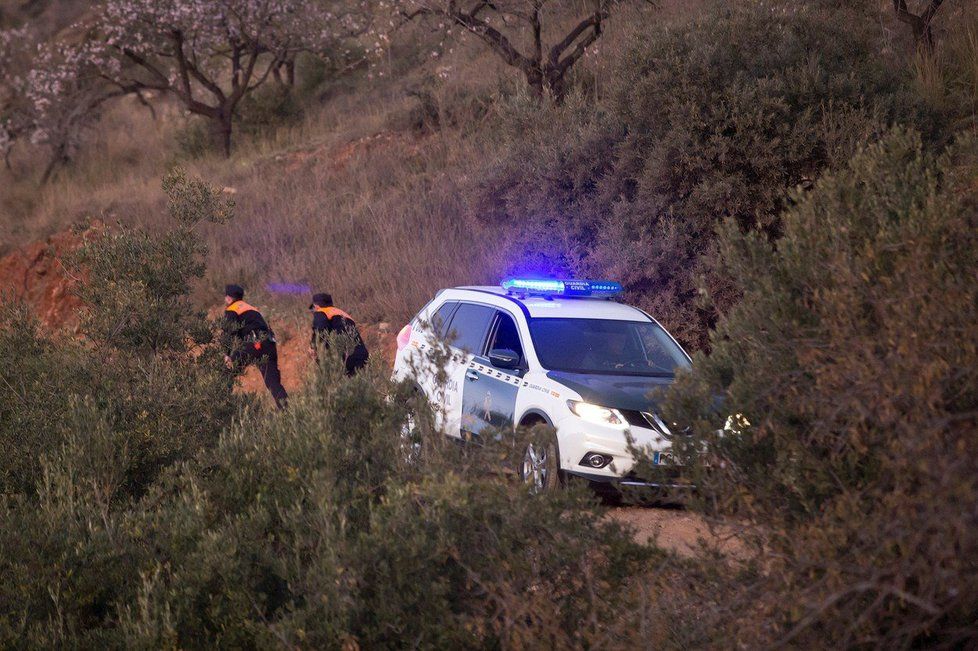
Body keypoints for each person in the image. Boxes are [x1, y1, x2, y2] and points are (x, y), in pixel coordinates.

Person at [222, 284, 288, 409]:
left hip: (253, 344)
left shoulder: (232, 309)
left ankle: (221, 407)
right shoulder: (252, 308)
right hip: (269, 344)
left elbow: (229, 332)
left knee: (225, 373)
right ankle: (287, 411)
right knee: (273, 382)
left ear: (229, 298)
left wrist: (227, 354)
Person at [309, 292, 369, 375]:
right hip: (361, 356)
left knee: (336, 384)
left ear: (316, 306)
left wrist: (313, 347)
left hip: (343, 357)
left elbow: (320, 329)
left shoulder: (322, 312)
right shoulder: (342, 314)